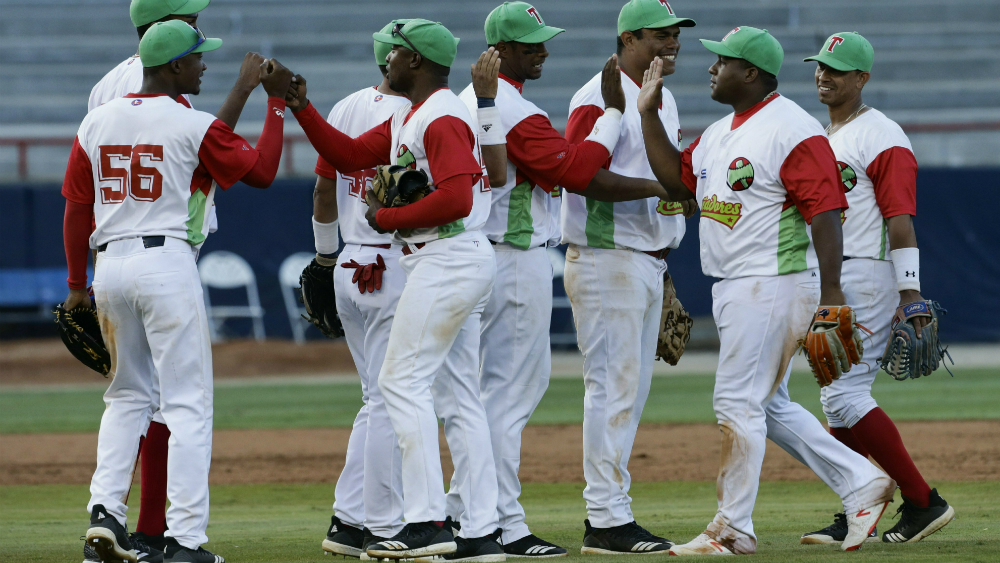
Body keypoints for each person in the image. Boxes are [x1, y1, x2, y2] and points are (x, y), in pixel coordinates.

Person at [634, 26, 896, 555]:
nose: (712, 68)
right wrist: (646, 113)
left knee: (736, 402)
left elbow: (825, 212)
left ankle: (732, 528)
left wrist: (832, 295)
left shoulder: (791, 129)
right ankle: (860, 481)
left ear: (750, 72)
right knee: (769, 406)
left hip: (772, 282)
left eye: (723, 61)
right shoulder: (720, 132)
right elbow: (678, 185)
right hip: (739, 284)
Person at [450, 2, 684, 557]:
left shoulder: (479, 103)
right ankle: (498, 523)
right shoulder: (525, 106)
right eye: (531, 44)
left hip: (489, 252)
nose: (544, 50)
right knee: (511, 395)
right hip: (515, 253)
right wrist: (613, 119)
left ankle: (469, 516)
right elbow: (575, 173)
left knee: (484, 397)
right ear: (498, 50)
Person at [63, 20, 292, 563]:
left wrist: (77, 285)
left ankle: (105, 514)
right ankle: (185, 540)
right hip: (165, 261)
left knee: (124, 397)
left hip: (110, 267)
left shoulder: (96, 121)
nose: (204, 65)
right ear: (172, 67)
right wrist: (276, 107)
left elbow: (75, 205)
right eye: (196, 58)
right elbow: (260, 173)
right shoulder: (192, 122)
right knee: (187, 405)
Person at [287, 19, 504, 562]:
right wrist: (301, 108)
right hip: (448, 257)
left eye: (397, 54)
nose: (387, 62)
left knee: (400, 382)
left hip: (447, 256)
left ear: (417, 61)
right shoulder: (415, 112)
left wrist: (389, 218)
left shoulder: (443, 116)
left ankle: (426, 521)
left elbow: (455, 198)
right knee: (457, 396)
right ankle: (480, 531)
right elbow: (348, 155)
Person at [799, 32, 955, 546]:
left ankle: (921, 499)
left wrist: (910, 293)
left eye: (837, 69)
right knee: (834, 398)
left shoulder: (882, 135)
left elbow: (901, 219)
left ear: (862, 79)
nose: (824, 75)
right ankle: (855, 506)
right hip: (835, 272)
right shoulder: (827, 133)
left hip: (866, 272)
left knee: (844, 394)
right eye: (820, 66)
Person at [559, 0, 696, 554]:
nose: (673, 42)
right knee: (612, 392)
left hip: (643, 258)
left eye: (677, 33)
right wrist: (661, 191)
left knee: (628, 395)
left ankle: (612, 513)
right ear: (629, 37)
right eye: (661, 34)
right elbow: (579, 175)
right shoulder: (598, 94)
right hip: (606, 256)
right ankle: (607, 520)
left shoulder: (668, 97)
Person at [314, 19, 412, 559]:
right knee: (391, 400)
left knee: (376, 397)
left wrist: (325, 253)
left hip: (350, 257)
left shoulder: (347, 106)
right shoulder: (412, 114)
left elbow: (324, 184)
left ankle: (349, 520)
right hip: (394, 259)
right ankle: (383, 523)